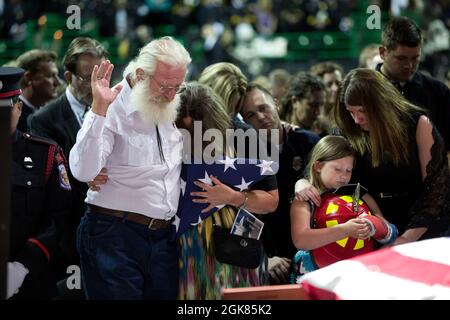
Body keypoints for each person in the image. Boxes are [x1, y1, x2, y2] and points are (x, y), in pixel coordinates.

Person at [69, 37, 191, 299]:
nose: (171, 95)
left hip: (163, 238)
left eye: (177, 87)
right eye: (165, 86)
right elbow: (83, 171)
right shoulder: (111, 105)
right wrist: (99, 108)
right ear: (140, 74)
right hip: (114, 235)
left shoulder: (171, 102)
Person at [295, 69, 450, 245]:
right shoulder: (347, 130)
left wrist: (406, 239)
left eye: (361, 111)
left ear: (381, 105)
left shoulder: (417, 124)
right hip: (369, 226)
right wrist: (303, 183)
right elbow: (321, 169)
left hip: (422, 226)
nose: (356, 119)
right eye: (351, 112)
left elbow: (436, 191)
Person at [175, 82, 279, 299]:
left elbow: (271, 201)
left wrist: (233, 197)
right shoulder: (165, 137)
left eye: (195, 120)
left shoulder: (243, 136)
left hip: (238, 248)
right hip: (186, 253)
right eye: (179, 121)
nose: (185, 126)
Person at [28, 38, 108, 284]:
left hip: (113, 231)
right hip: (69, 234)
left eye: (101, 77)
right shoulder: (44, 119)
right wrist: (85, 175)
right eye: (87, 78)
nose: (94, 86)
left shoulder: (117, 113)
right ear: (68, 76)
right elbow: (51, 179)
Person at [1, 66, 71, 299]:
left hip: (32, 278)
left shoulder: (46, 154)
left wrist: (20, 268)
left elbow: (57, 218)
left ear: (19, 108)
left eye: (5, 108)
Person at [241, 83, 319, 284]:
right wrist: (264, 256)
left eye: (263, 108)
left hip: (313, 250)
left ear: (276, 104)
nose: (259, 117)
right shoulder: (244, 155)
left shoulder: (309, 142)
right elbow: (243, 212)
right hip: (274, 258)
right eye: (250, 115)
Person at [290, 135, 396, 282]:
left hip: (356, 273)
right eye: (337, 169)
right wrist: (345, 230)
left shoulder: (360, 196)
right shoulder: (305, 198)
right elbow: (301, 240)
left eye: (348, 170)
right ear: (318, 166)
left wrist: (372, 224)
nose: (343, 176)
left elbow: (390, 231)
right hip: (315, 273)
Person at [376, 16, 450, 161]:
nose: (409, 65)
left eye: (415, 58)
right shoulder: (364, 90)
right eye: (401, 58)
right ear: (383, 52)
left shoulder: (438, 91)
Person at [16, 49, 62, 132]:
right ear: (29, 78)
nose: (58, 82)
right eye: (51, 76)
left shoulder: (50, 114)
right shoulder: (13, 118)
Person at [309, 62, 344, 136]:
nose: (335, 88)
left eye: (338, 83)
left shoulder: (348, 114)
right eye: (329, 84)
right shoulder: (310, 116)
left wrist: (328, 127)